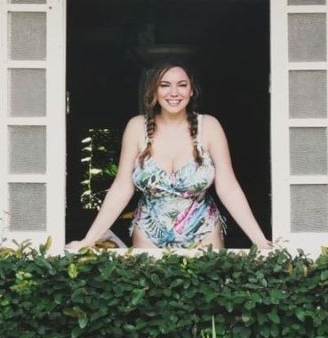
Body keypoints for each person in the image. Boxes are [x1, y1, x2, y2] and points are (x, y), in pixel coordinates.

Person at [67, 62, 272, 251]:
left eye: (182, 85)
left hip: (204, 232)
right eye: (165, 85)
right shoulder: (136, 127)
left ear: (191, 91)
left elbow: (228, 187)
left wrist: (260, 241)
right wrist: (89, 240)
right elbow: (122, 187)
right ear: (154, 90)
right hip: (148, 233)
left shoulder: (209, 126)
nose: (174, 92)